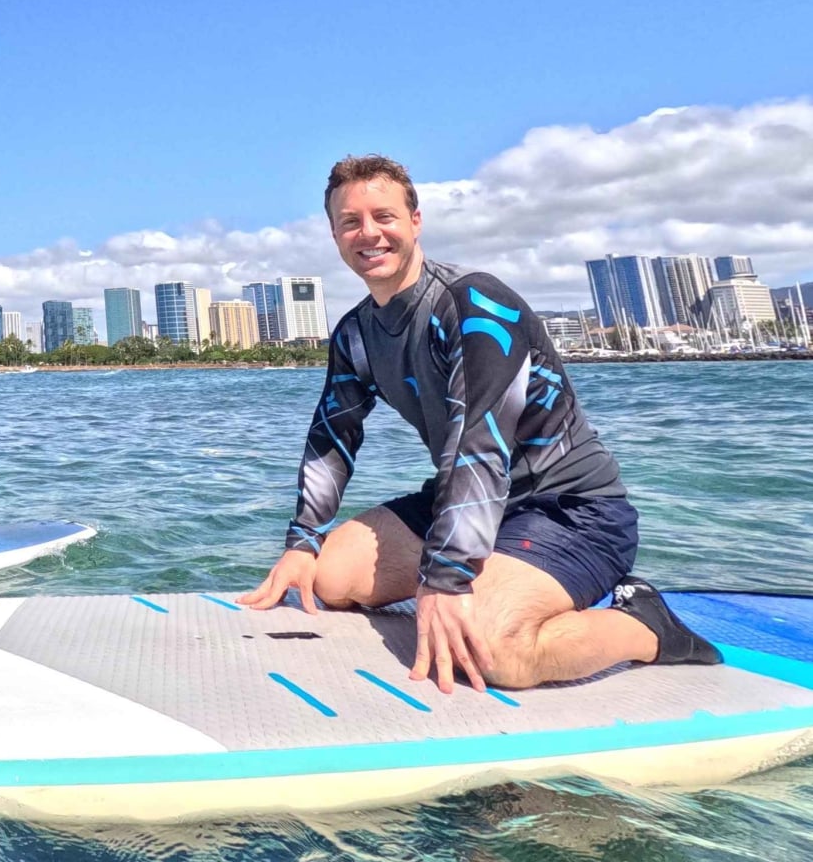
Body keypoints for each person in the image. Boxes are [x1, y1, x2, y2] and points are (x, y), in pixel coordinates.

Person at [238, 155, 719, 693]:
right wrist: (303, 542)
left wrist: (447, 579)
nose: (368, 233)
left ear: (415, 221)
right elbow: (333, 435)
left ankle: (645, 625)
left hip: (568, 509)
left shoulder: (475, 304)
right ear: (334, 234)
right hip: (461, 499)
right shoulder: (355, 333)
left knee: (494, 654)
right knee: (330, 576)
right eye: (351, 221)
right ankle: (493, 575)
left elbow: (481, 440)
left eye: (385, 216)